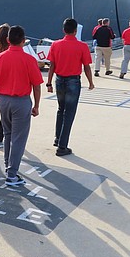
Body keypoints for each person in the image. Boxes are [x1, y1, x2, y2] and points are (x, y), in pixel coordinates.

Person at [0, 25, 42, 185]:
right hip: (21, 101)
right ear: (24, 41)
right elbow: (36, 85)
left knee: (8, 134)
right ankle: (12, 174)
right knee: (19, 138)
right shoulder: (29, 60)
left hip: (3, 100)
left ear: (8, 40)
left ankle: (7, 166)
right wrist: (36, 105)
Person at [46, 18, 94, 156]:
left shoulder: (55, 45)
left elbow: (52, 66)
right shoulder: (82, 46)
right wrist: (90, 82)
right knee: (69, 113)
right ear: (75, 31)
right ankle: (62, 146)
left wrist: (49, 83)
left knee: (61, 110)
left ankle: (57, 137)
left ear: (63, 30)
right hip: (73, 81)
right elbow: (86, 67)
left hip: (59, 80)